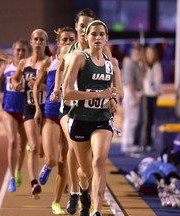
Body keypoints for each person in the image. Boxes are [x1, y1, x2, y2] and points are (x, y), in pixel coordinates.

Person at [62, 20, 123, 216]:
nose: (97, 38)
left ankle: (97, 210)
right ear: (86, 37)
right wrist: (97, 95)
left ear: (107, 38)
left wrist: (113, 99)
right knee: (85, 171)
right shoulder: (80, 58)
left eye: (101, 34)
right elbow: (67, 92)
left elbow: (118, 91)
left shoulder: (111, 63)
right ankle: (82, 187)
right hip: (80, 119)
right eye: (94, 34)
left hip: (101, 119)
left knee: (98, 161)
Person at [51, 8, 96, 215]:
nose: (84, 29)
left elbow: (111, 72)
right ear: (77, 26)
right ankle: (75, 193)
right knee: (71, 144)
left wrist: (112, 97)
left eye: (89, 25)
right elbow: (60, 68)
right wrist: (56, 89)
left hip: (92, 109)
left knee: (89, 158)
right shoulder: (66, 51)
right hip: (69, 107)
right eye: (81, 25)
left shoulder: (100, 50)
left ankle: (86, 189)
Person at [33, 26, 76, 215]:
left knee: (64, 162)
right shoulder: (49, 63)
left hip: (70, 115)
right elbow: (36, 86)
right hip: (51, 114)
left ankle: (56, 202)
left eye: (71, 39)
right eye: (64, 39)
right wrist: (37, 108)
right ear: (58, 43)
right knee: (51, 159)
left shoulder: (79, 62)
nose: (67, 43)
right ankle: (46, 166)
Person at [11, 29, 52, 198]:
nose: (38, 42)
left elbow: (56, 87)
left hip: (47, 108)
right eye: (35, 39)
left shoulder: (51, 62)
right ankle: (34, 182)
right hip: (29, 108)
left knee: (44, 152)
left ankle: (44, 166)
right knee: (34, 147)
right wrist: (16, 85)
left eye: (41, 39)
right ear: (31, 41)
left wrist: (40, 86)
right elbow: (14, 78)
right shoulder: (24, 63)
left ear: (46, 43)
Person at [0, 39, 30, 192]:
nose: (20, 53)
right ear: (13, 51)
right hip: (9, 110)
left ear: (28, 52)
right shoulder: (6, 66)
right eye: (18, 50)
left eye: (23, 50)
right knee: (13, 141)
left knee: (22, 146)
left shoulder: (30, 67)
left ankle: (18, 170)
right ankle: (12, 178)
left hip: (26, 111)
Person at [135, 46, 163, 152]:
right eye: (148, 53)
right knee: (145, 121)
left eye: (152, 53)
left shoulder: (157, 65)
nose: (151, 55)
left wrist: (158, 90)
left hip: (154, 95)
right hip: (145, 95)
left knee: (152, 120)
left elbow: (158, 80)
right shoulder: (143, 65)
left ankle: (150, 142)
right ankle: (142, 142)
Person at [121, 47, 143, 154]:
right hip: (131, 93)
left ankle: (129, 143)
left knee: (132, 120)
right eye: (138, 53)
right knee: (130, 120)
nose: (139, 56)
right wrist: (135, 97)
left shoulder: (136, 64)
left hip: (133, 93)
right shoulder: (130, 64)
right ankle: (127, 144)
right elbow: (130, 83)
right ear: (133, 54)